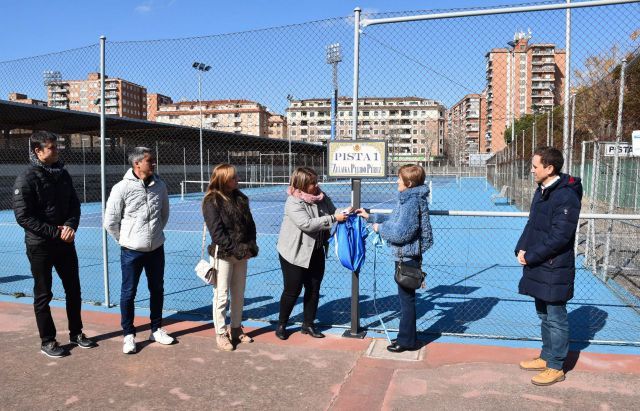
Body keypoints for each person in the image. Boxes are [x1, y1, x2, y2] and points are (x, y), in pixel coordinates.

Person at [13, 131, 97, 358]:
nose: (56, 150)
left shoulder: (63, 174)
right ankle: (48, 341)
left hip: (65, 244)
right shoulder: (26, 178)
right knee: (43, 294)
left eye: (56, 146)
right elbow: (23, 217)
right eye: (51, 147)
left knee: (74, 290)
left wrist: (70, 227)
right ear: (38, 151)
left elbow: (74, 205)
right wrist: (55, 232)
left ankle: (76, 333)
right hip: (40, 246)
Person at [516, 146, 582, 386]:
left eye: (535, 166)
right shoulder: (542, 190)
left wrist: (532, 255)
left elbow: (560, 237)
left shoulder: (566, 196)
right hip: (539, 264)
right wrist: (521, 248)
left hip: (555, 266)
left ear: (549, 168)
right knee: (543, 314)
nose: (531, 170)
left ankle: (556, 366)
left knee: (555, 316)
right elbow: (533, 225)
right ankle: (546, 356)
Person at [104, 147, 174, 354]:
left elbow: (164, 214)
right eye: (149, 161)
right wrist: (125, 240)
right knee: (129, 292)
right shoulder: (121, 188)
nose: (154, 164)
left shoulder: (160, 185)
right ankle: (128, 335)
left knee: (157, 289)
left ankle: (156, 328)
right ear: (137, 164)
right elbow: (110, 222)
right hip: (131, 251)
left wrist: (155, 236)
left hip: (156, 249)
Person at [357, 164, 433, 353]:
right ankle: (408, 338)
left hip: (407, 256)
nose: (396, 181)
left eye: (399, 178)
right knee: (407, 300)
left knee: (406, 301)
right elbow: (394, 221)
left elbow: (402, 232)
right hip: (405, 255)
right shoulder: (408, 199)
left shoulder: (411, 202)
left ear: (408, 183)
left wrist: (379, 229)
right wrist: (370, 217)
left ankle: (406, 341)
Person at [275, 167, 350, 340]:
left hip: (316, 250)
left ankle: (308, 324)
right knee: (292, 290)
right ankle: (282, 324)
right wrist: (333, 219)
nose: (317, 185)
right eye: (312, 183)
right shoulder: (293, 202)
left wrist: (345, 212)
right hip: (294, 252)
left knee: (314, 288)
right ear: (301, 185)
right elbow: (306, 224)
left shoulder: (322, 197)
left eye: (316, 181)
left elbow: (334, 211)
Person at [202, 164, 259, 351]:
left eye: (236, 176)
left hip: (242, 253)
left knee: (239, 294)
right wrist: (239, 250)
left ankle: (235, 329)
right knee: (221, 295)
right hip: (224, 254)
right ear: (223, 179)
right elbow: (217, 234)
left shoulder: (241, 198)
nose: (237, 179)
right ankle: (220, 333)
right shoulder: (212, 201)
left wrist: (250, 247)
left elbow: (250, 225)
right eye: (233, 177)